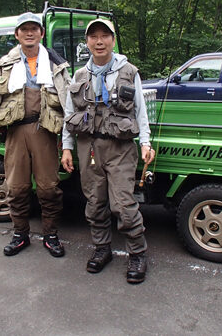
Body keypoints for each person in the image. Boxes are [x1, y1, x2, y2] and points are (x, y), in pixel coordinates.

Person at [61, 18, 155, 284]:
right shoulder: (80, 75)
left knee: (124, 204)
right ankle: (102, 249)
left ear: (113, 40)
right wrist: (67, 148)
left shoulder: (129, 72)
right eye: (94, 37)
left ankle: (137, 253)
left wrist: (146, 142)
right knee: (94, 203)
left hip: (120, 148)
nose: (99, 41)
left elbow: (140, 110)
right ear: (87, 42)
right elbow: (70, 113)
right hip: (87, 147)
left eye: (105, 36)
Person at [0, 12, 71, 258]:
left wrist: (67, 141)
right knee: (16, 187)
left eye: (34, 28)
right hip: (15, 133)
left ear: (41, 33)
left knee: (48, 188)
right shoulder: (5, 63)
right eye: (24, 29)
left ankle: (51, 235)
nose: (29, 33)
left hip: (45, 132)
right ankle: (20, 234)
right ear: (17, 34)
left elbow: (68, 101)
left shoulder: (56, 64)